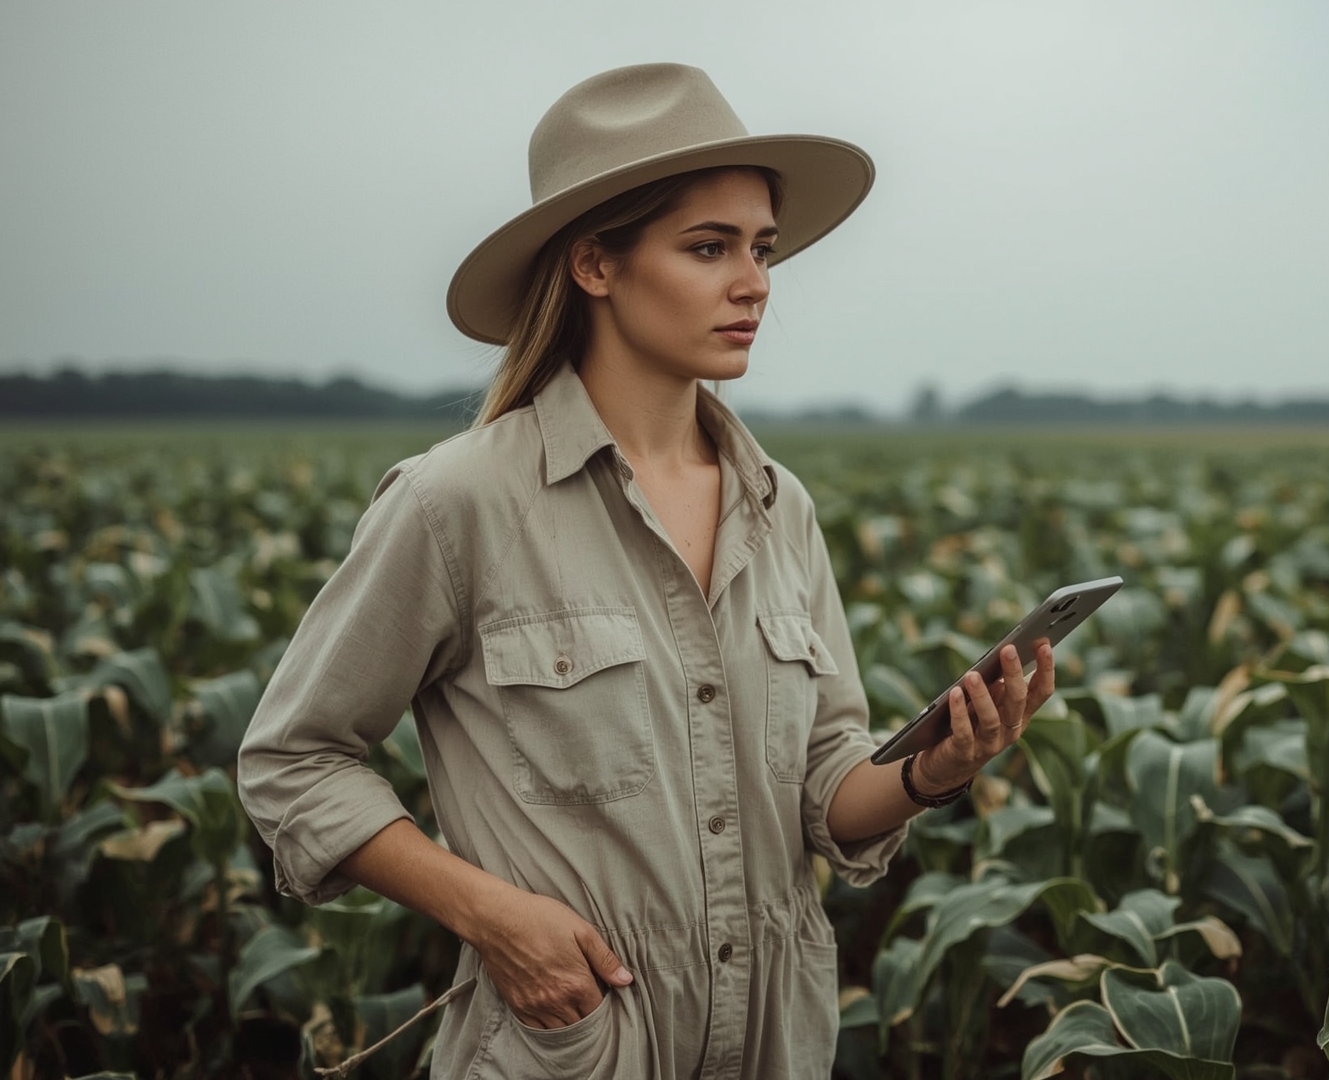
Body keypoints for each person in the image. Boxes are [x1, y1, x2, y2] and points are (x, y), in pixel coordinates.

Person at [235, 63, 1055, 1079]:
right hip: (573, 1048)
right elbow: (292, 760)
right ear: (594, 265)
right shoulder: (459, 503)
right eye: (707, 248)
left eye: (762, 248)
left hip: (773, 1049)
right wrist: (494, 917)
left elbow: (827, 797)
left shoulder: (778, 506)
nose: (754, 281)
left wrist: (936, 768)